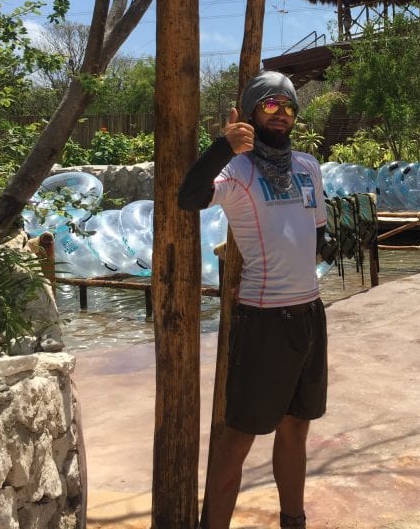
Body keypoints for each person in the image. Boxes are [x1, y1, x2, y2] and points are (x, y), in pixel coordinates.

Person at [179, 70, 328, 529]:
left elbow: (318, 231)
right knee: (239, 436)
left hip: (310, 314)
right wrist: (224, 145)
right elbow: (189, 197)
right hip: (263, 319)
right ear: (250, 112)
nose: (280, 114)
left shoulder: (308, 167)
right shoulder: (238, 171)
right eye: (269, 105)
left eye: (288, 107)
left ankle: (293, 520)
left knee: (296, 426)